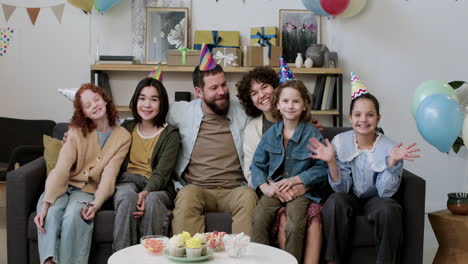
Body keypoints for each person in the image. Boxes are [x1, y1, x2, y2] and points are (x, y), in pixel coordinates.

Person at [307, 73, 420, 264]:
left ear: (378, 118)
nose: (363, 120)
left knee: (389, 209)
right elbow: (340, 189)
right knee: (335, 202)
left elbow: (386, 192)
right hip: (348, 195)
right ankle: (333, 261)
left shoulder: (390, 147)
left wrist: (392, 163)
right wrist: (332, 163)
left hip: (376, 198)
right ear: (350, 118)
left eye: (370, 115)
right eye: (358, 115)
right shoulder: (340, 142)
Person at [237, 65, 326, 264]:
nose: (290, 106)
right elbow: (257, 165)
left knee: (294, 226)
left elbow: (322, 168)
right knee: (259, 217)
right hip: (275, 188)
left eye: (296, 101)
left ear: (304, 105)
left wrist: (298, 180)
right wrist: (265, 186)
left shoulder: (311, 133)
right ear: (278, 105)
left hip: (301, 191)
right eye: (285, 101)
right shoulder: (270, 134)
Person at [34, 83, 131, 264]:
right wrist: (46, 203)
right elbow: (61, 168)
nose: (94, 105)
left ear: (104, 99)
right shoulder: (76, 131)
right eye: (88, 105)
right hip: (62, 187)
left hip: (87, 192)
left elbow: (110, 175)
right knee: (51, 214)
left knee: (73, 217)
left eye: (96, 99)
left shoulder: (123, 136)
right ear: (83, 112)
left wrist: (96, 203)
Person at [169, 44, 258, 236]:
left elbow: (270, 121)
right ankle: (190, 256)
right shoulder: (182, 112)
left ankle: (245, 259)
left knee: (249, 197)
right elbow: (148, 116)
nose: (222, 92)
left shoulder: (243, 112)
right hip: (197, 189)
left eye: (224, 84)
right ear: (199, 92)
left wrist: (305, 121)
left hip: (234, 190)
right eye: (214, 87)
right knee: (185, 197)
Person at [113, 77, 180, 251]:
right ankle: (122, 259)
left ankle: (151, 258)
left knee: (152, 201)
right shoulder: (126, 128)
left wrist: (146, 192)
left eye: (154, 99)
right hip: (127, 182)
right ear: (136, 101)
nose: (147, 105)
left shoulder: (170, 134)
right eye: (142, 98)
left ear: (162, 103)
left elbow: (162, 174)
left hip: (158, 187)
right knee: (127, 198)